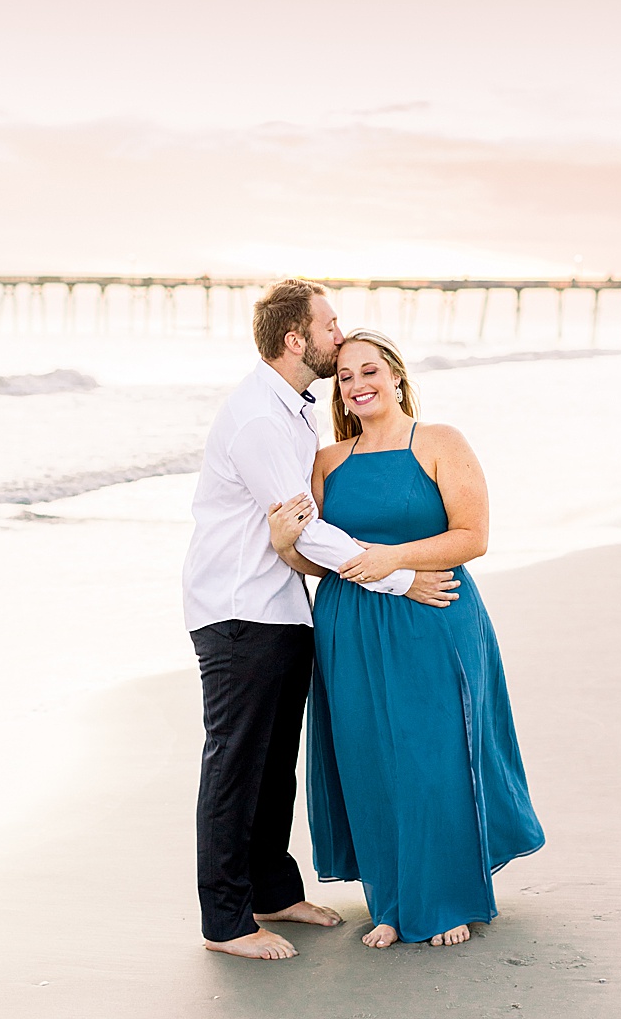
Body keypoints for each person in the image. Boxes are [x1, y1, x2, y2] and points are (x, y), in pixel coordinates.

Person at [182, 279, 460, 962]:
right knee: (236, 764)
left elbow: (303, 533)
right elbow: (309, 529)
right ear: (294, 339)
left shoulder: (293, 408)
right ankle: (225, 922)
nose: (341, 335)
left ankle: (273, 891)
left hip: (281, 608)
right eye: (330, 326)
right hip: (239, 610)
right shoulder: (258, 417)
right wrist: (398, 578)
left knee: (276, 765)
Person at [267, 329, 543, 949]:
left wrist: (391, 560)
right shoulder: (329, 460)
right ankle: (390, 901)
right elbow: (322, 557)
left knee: (432, 753)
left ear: (394, 374)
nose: (358, 385)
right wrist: (287, 548)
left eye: (369, 371)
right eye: (344, 377)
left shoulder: (441, 442)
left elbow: (473, 535)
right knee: (369, 759)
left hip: (434, 613)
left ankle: (444, 899)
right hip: (349, 625)